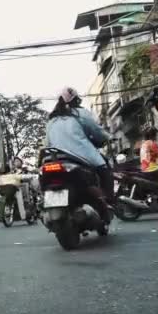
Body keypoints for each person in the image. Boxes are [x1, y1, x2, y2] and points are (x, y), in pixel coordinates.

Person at [46, 87, 114, 221]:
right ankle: (108, 203)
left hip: (55, 158)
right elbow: (96, 131)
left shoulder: (51, 120)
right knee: (104, 169)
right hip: (80, 156)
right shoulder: (80, 113)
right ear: (77, 100)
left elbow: (47, 142)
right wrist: (107, 138)